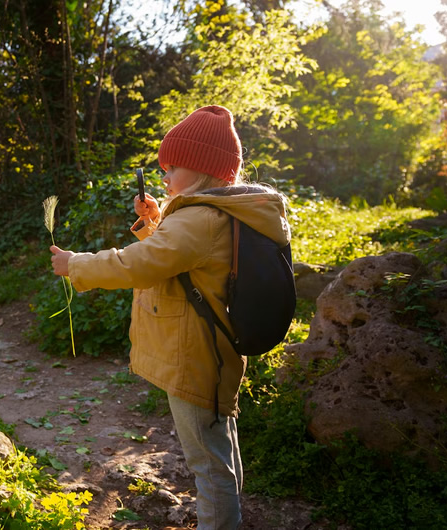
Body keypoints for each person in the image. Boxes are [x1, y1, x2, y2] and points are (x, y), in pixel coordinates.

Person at [49, 105, 291, 529]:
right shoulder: (217, 213)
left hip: (195, 358)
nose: (163, 176)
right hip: (212, 353)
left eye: (171, 167)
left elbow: (139, 264)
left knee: (209, 464)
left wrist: (77, 265)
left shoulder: (199, 220)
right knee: (220, 451)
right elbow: (176, 257)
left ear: (199, 170)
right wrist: (154, 220)